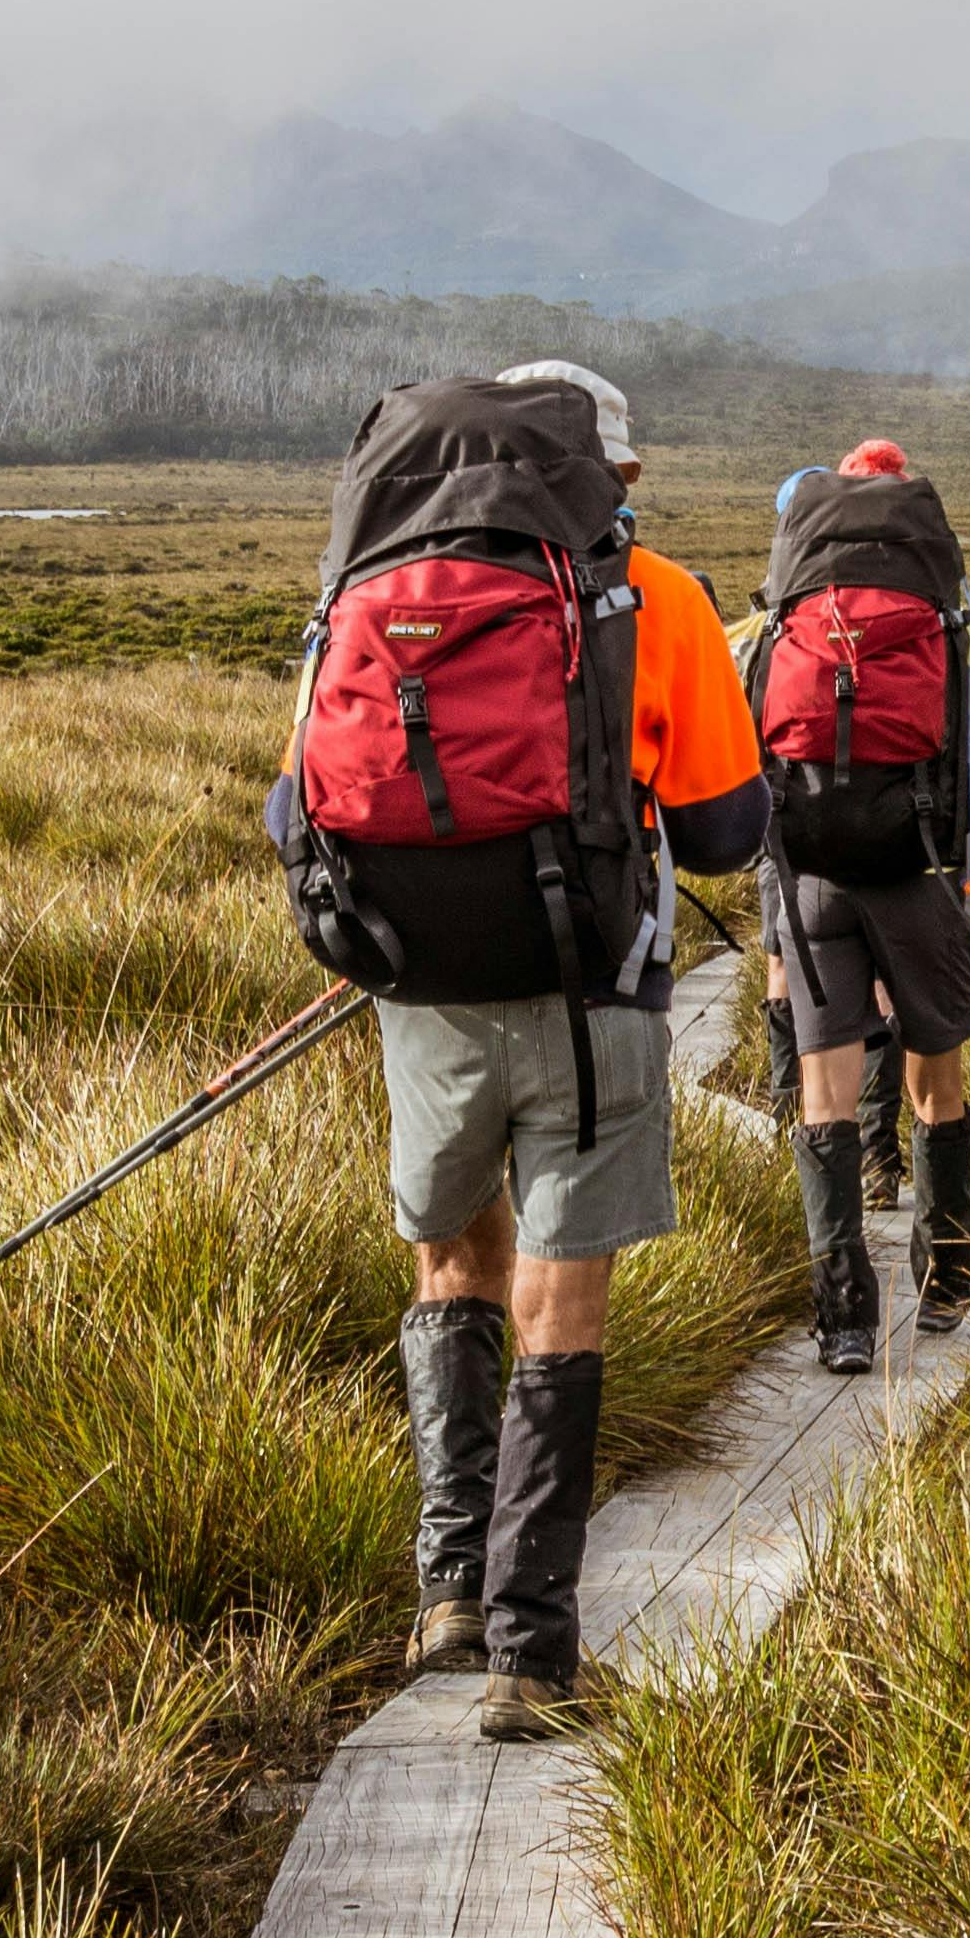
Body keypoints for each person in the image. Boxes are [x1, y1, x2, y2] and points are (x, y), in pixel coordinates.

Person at [271, 355, 764, 1738]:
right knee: (567, 1298)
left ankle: (447, 1587)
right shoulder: (656, 597)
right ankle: (534, 1654)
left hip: (422, 995)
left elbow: (295, 810)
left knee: (450, 1264)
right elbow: (729, 832)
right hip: (593, 995)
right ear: (616, 472)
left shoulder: (366, 585)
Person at [739, 437, 970, 1373]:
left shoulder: (783, 611)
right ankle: (945, 1276)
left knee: (822, 1093)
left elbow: (739, 731)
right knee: (934, 1081)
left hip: (814, 873)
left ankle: (844, 1318)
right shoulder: (951, 618)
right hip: (921, 873)